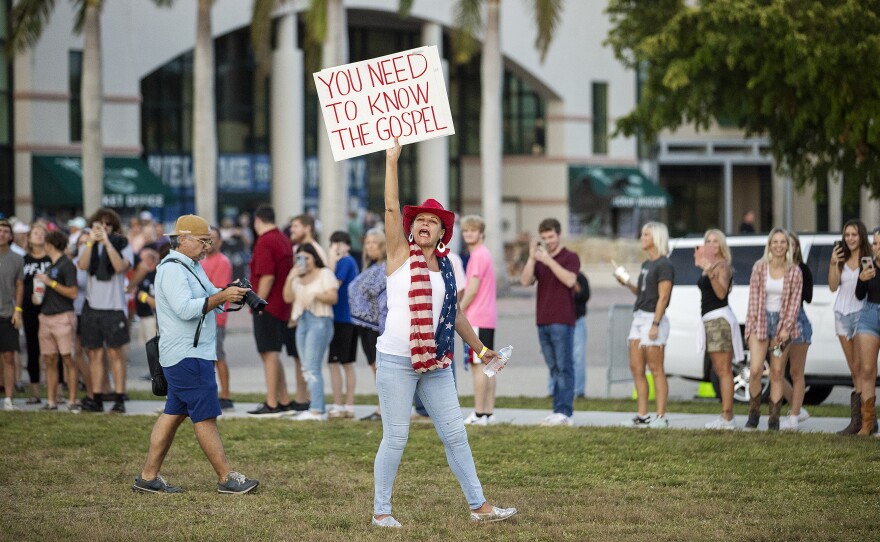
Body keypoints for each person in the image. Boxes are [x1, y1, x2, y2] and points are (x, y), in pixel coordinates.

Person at [372, 138, 516, 528]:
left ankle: (479, 506)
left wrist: (482, 349)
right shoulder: (400, 255)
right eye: (418, 219)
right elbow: (389, 206)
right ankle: (381, 512)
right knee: (396, 438)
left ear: (442, 234)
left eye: (431, 221)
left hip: (435, 362)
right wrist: (391, 161)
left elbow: (453, 316)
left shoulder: (450, 267)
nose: (423, 223)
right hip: (397, 360)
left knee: (456, 435)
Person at [132, 214, 259, 494]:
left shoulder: (191, 265)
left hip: (188, 353)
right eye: (203, 241)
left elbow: (209, 294)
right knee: (205, 416)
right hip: (187, 355)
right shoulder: (173, 270)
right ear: (184, 239)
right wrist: (221, 297)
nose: (207, 247)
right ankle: (226, 478)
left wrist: (231, 293)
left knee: (173, 414)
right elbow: (187, 309)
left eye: (210, 241)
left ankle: (147, 477)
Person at [520, 218, 581, 426]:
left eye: (551, 237)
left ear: (559, 234)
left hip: (562, 320)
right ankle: (557, 410)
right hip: (542, 320)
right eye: (544, 238)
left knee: (565, 366)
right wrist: (531, 258)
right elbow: (525, 281)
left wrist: (548, 261)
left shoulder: (570, 257)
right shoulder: (539, 258)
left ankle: (565, 412)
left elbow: (570, 280)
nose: (548, 241)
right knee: (554, 367)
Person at [743, 228, 803, 430]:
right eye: (775, 242)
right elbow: (752, 299)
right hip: (760, 321)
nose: (778, 245)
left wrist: (785, 329)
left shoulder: (795, 272)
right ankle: (754, 413)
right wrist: (751, 326)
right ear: (770, 245)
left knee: (777, 372)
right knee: (755, 370)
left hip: (782, 325)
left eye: (782, 242)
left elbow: (795, 304)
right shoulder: (759, 268)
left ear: (788, 246)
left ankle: (774, 419)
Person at [616, 222, 674, 428]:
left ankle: (661, 416)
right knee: (636, 368)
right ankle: (642, 415)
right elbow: (642, 294)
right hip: (639, 317)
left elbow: (663, 297)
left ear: (656, 238)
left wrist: (656, 323)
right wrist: (627, 283)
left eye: (646, 234)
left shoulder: (664, 265)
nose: (642, 237)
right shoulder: (646, 265)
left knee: (656, 369)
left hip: (653, 318)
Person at [76, 208, 134, 413]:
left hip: (114, 307)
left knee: (115, 355)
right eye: (99, 224)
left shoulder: (122, 244)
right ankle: (97, 398)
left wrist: (107, 242)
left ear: (114, 227)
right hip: (92, 307)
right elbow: (82, 265)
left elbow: (120, 267)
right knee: (94, 355)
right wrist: (91, 241)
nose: (104, 228)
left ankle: (119, 398)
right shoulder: (89, 244)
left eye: (108, 224)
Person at [247, 205, 297, 417]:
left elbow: (267, 276)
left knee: (268, 354)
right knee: (273, 354)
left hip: (268, 306)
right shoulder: (283, 239)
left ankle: (271, 403)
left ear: (258, 221)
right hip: (282, 305)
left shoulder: (265, 241)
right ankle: (283, 399)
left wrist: (258, 302)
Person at [283, 244, 338, 421]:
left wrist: (316, 295)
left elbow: (333, 297)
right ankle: (317, 407)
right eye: (299, 258)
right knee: (306, 367)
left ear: (314, 257)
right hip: (302, 321)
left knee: (313, 367)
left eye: (307, 257)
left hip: (320, 320)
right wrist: (290, 277)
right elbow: (287, 298)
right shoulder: (297, 278)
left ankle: (317, 410)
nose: (304, 261)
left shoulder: (324, 273)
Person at [696, 229, 743, 430]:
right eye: (708, 241)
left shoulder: (721, 265)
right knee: (719, 369)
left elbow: (721, 292)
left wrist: (710, 271)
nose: (711, 244)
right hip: (711, 321)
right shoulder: (711, 265)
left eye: (715, 241)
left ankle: (727, 417)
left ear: (721, 245)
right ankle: (725, 415)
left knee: (723, 370)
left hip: (719, 321)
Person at [829, 219, 870, 434]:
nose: (850, 239)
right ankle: (860, 419)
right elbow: (832, 286)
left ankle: (866, 419)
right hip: (842, 315)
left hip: (862, 313)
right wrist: (834, 264)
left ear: (861, 236)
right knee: (854, 367)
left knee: (863, 367)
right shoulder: (840, 259)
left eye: (854, 234)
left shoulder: (868, 258)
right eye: (847, 235)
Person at [33, 230, 79, 411]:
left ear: (50, 245)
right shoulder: (49, 266)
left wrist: (50, 282)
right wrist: (37, 296)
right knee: (49, 359)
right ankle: (51, 401)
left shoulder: (67, 265)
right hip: (46, 316)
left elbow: (73, 293)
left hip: (62, 317)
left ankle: (72, 400)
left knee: (68, 359)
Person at [459, 215, 498, 425]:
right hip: (488, 317)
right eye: (466, 231)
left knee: (479, 367)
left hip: (477, 317)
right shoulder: (485, 254)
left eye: (473, 230)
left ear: (481, 233)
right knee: (489, 366)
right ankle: (489, 412)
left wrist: (458, 311)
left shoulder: (477, 256)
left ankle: (480, 413)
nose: (468, 234)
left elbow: (472, 290)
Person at [349, 228, 387, 422]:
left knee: (379, 368)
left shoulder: (384, 268)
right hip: (363, 324)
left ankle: (384, 409)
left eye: (374, 242)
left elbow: (375, 292)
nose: (370, 246)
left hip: (376, 324)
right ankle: (381, 407)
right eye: (368, 242)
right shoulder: (368, 267)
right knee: (373, 366)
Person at [780, 231, 812, 431]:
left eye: (791, 244)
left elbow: (807, 297)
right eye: (784, 243)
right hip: (777, 322)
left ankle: (793, 417)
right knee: (775, 371)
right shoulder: (772, 268)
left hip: (798, 320)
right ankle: (797, 408)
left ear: (797, 247)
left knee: (796, 371)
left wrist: (794, 275)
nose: (787, 247)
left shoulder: (803, 269)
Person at [202, 226, 235, 411]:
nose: (210, 241)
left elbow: (218, 290)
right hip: (203, 315)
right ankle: (211, 393)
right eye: (207, 238)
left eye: (214, 238)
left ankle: (225, 395)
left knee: (217, 356)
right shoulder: (200, 261)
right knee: (207, 358)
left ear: (220, 241)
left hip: (216, 317)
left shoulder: (222, 262)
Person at [326, 231, 359, 419]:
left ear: (348, 244)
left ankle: (345, 405)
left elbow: (332, 284)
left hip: (344, 319)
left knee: (341, 362)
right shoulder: (343, 262)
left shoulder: (345, 262)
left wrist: (331, 261)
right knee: (337, 362)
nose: (337, 246)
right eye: (334, 242)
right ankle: (342, 404)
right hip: (339, 318)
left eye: (341, 242)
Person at [853, 228, 880, 436]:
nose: (876, 247)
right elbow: (859, 294)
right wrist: (862, 278)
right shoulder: (869, 265)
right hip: (869, 314)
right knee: (867, 369)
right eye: (875, 243)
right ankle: (868, 423)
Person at [22, 223, 52, 404]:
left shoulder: (51, 259)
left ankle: (55, 391)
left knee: (52, 352)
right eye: (36, 233)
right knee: (33, 350)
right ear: (29, 238)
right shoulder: (23, 260)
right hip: (29, 310)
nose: (39, 236)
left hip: (50, 309)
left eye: (42, 233)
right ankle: (35, 391)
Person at [0, 218, 24, 410]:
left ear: (10, 235)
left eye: (5, 231)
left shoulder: (17, 258)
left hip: (7, 313)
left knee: (8, 357)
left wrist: (18, 310)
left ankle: (8, 398)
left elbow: (20, 285)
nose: (2, 234)